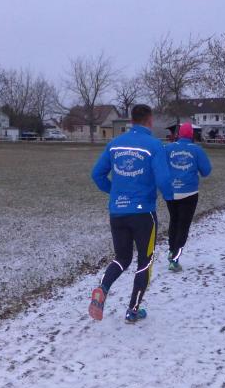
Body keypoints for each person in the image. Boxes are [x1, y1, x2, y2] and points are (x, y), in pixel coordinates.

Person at [89, 104, 173, 323]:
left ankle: (103, 287)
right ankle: (133, 310)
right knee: (145, 260)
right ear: (150, 121)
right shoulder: (154, 145)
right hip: (143, 213)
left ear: (131, 121)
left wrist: (114, 192)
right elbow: (164, 180)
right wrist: (171, 198)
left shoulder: (114, 144)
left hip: (117, 212)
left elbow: (97, 174)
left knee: (122, 258)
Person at [164, 122, 212, 272]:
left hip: (171, 191)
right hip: (189, 193)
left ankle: (171, 250)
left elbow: (160, 167)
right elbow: (206, 171)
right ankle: (175, 259)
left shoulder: (168, 148)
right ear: (192, 135)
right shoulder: (196, 150)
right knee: (183, 226)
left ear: (178, 134)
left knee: (174, 221)